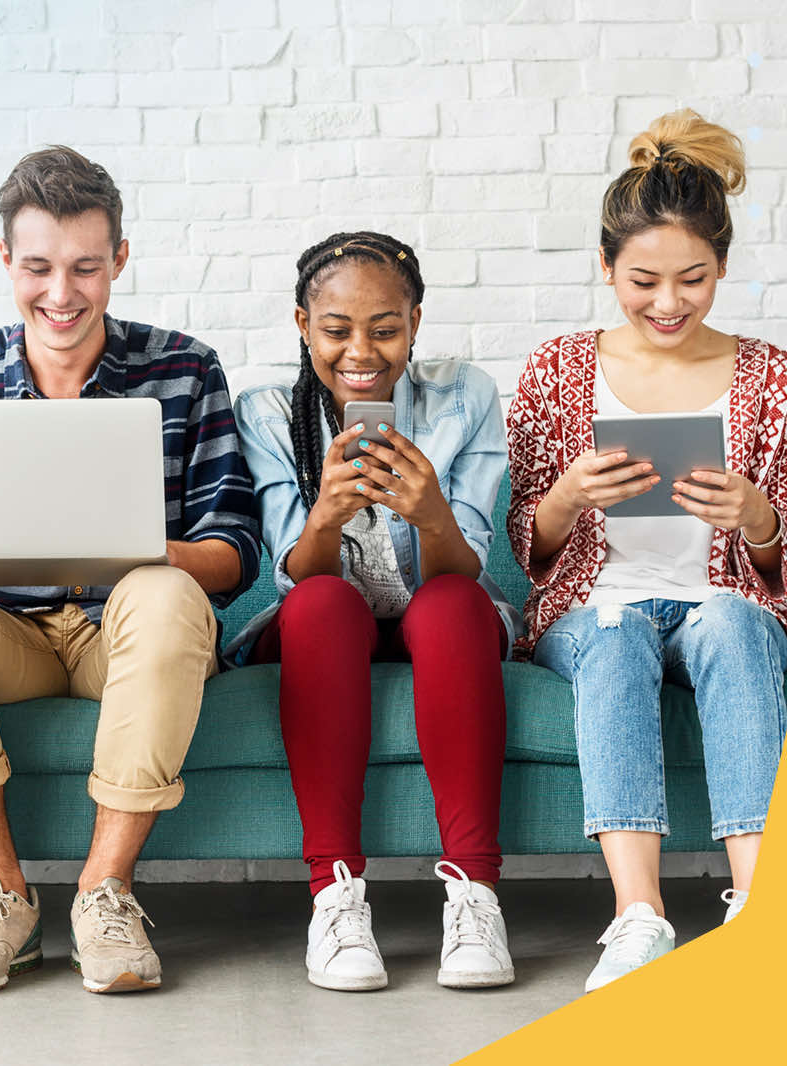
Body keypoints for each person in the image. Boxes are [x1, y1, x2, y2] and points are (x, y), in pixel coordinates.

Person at [0, 146, 261, 994]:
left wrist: (134, 544)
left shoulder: (185, 369)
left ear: (119, 259)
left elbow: (233, 556)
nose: (61, 293)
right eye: (39, 267)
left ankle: (104, 893)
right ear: (5, 261)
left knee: (164, 591)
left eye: (86, 268)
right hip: (2, 635)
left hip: (123, 635)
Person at [506, 110, 787, 993]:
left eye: (694, 279)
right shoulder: (556, 369)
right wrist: (569, 493)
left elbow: (781, 554)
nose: (669, 303)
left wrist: (755, 514)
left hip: (723, 602)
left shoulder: (774, 379)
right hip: (595, 604)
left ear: (722, 266)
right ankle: (638, 915)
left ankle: (761, 909)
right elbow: (530, 542)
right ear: (606, 267)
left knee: (729, 622)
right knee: (612, 631)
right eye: (643, 280)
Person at [228, 232, 522, 992]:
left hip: (439, 609)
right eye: (336, 330)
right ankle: (335, 895)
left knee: (453, 602)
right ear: (303, 326)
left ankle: (476, 897)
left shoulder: (467, 397)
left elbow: (468, 566)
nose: (362, 350)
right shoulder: (266, 414)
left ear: (416, 324)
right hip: (326, 619)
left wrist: (431, 518)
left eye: (386, 328)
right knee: (325, 601)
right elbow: (295, 578)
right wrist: (325, 515)